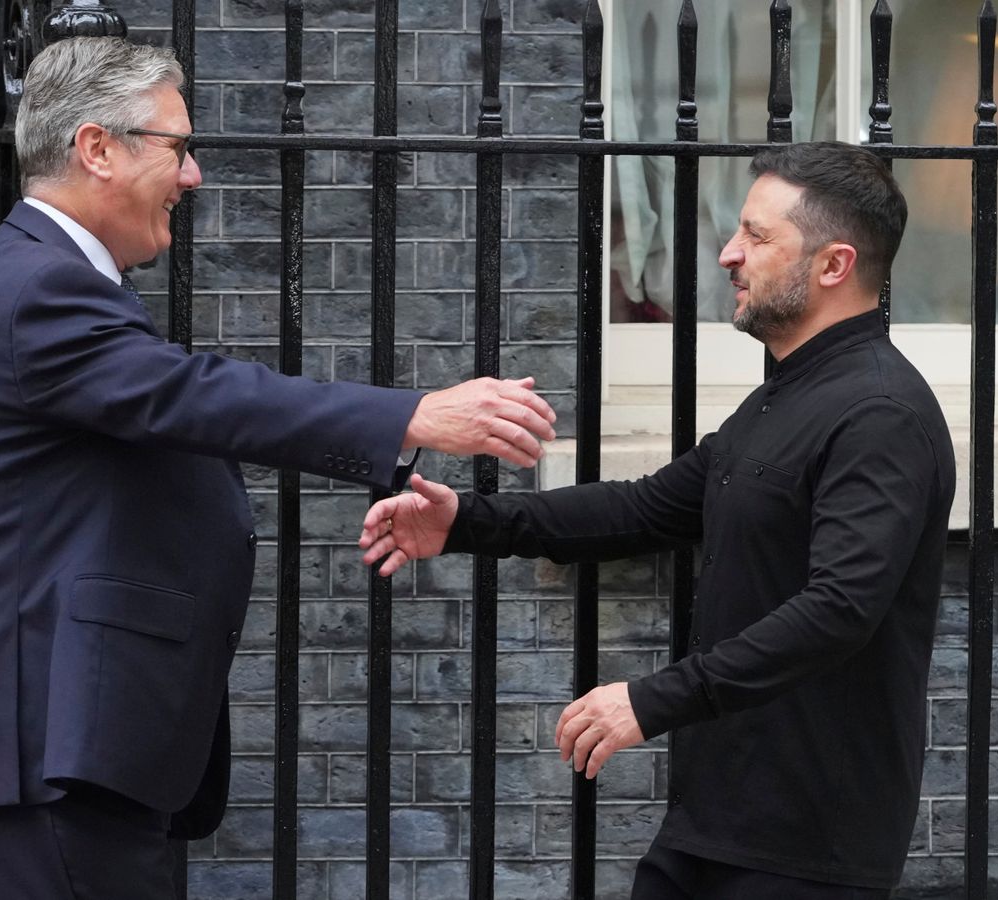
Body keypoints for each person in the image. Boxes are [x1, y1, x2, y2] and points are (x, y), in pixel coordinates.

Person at [0, 36, 559, 899]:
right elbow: (195, 396)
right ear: (97, 147)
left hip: (70, 742)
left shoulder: (47, 278)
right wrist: (411, 414)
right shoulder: (39, 288)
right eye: (178, 146)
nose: (193, 176)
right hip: (46, 741)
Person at [360, 141, 955, 898]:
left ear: (834, 265)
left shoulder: (881, 414)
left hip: (809, 842)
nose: (730, 255)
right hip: (717, 819)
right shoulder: (785, 399)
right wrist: (467, 522)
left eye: (758, 236)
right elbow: (646, 506)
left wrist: (650, 699)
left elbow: (840, 609)